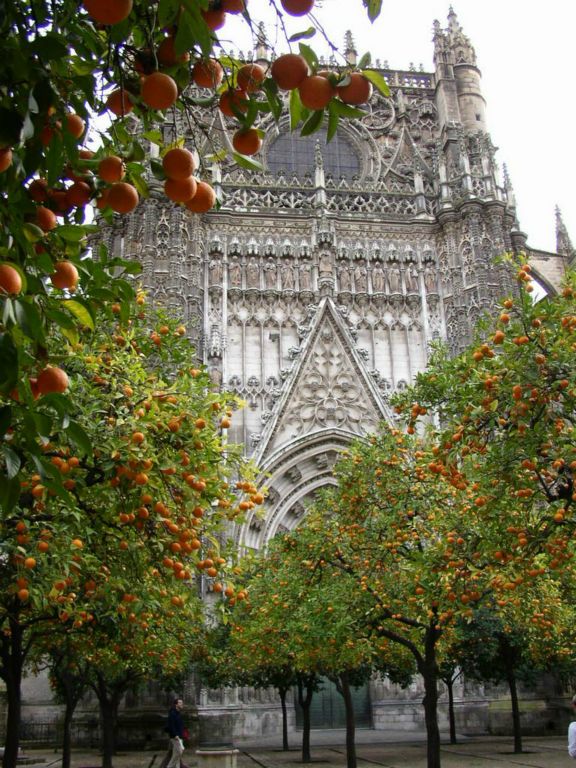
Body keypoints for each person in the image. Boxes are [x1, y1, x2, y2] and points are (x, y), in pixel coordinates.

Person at [163, 697, 185, 768]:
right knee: (178, 753)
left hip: (179, 736)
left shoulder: (178, 713)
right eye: (180, 703)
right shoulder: (172, 713)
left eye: (182, 703)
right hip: (175, 737)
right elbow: (171, 725)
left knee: (177, 754)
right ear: (176, 704)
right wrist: (175, 735)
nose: (182, 704)